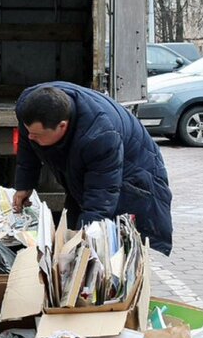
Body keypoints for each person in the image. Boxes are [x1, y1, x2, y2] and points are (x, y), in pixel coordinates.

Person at [11, 81, 173, 255]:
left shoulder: (100, 136)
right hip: (95, 164)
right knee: (73, 230)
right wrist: (24, 185)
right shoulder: (29, 106)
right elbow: (28, 145)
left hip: (133, 176)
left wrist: (83, 242)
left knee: (110, 244)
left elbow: (100, 198)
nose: (31, 137)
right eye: (29, 132)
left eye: (38, 135)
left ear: (62, 126)